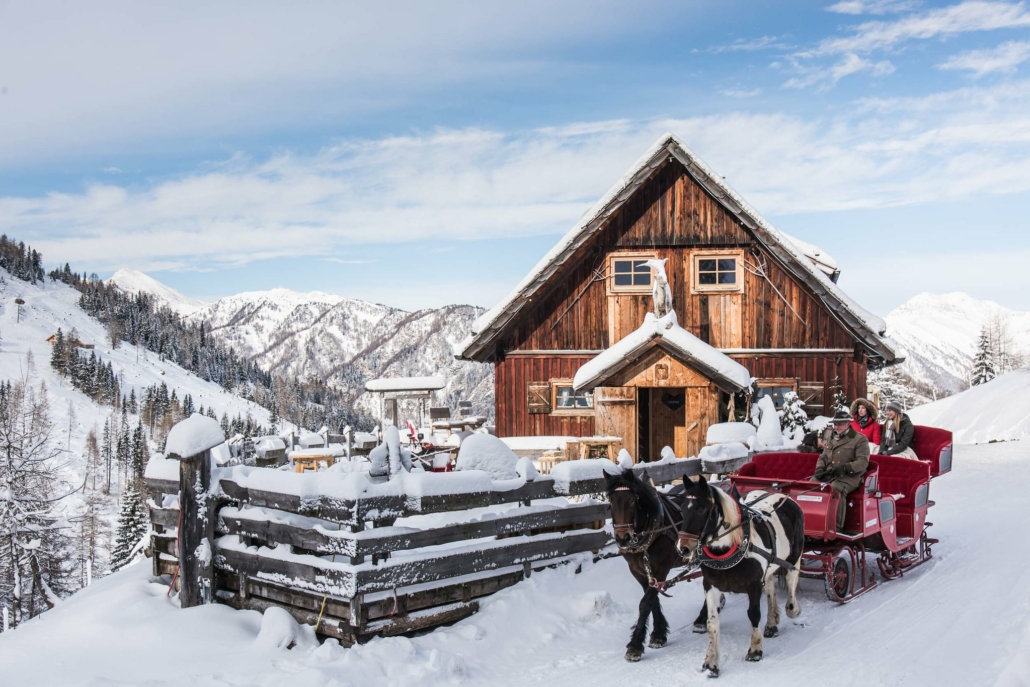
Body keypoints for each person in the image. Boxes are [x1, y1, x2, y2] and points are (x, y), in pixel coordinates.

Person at [815, 408, 870, 530]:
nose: (836, 427)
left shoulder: (860, 439)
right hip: (831, 473)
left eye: (840, 424)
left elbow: (863, 462)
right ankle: (813, 521)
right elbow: (823, 457)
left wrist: (845, 468)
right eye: (835, 424)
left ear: (848, 423)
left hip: (850, 476)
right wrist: (819, 470)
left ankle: (835, 526)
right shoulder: (832, 439)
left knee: (835, 488)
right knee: (812, 484)